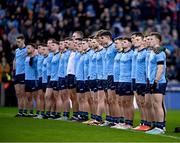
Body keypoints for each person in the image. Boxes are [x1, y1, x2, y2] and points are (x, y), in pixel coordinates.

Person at [146, 32, 167, 134]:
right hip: (152, 81)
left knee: (158, 104)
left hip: (159, 81)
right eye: (148, 39)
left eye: (151, 39)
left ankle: (161, 127)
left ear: (157, 41)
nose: (149, 41)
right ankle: (157, 126)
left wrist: (156, 80)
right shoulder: (153, 51)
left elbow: (160, 67)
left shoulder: (159, 52)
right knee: (154, 104)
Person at [118, 37, 134, 129]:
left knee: (128, 103)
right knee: (123, 102)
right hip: (121, 80)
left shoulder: (132, 54)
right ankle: (124, 122)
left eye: (124, 42)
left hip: (128, 81)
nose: (123, 43)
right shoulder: (122, 54)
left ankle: (129, 123)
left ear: (129, 44)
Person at [67, 31, 83, 120]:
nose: (72, 38)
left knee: (77, 96)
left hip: (75, 74)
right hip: (70, 74)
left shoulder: (79, 50)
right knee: (72, 97)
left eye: (74, 36)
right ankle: (75, 114)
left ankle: (80, 114)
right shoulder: (72, 50)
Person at [111, 37, 124, 129]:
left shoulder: (126, 53)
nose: (115, 45)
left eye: (117, 43)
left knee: (124, 102)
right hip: (117, 80)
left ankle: (125, 121)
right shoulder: (118, 53)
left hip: (123, 80)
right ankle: (119, 121)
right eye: (115, 43)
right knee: (119, 101)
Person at [57, 39, 71, 120]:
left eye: (63, 43)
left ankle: (66, 114)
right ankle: (64, 113)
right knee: (62, 96)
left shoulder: (69, 53)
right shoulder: (61, 53)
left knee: (66, 96)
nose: (61, 45)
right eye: (61, 43)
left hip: (65, 76)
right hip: (60, 76)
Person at [14, 34, 27, 117]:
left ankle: (24, 111)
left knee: (23, 94)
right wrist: (13, 71)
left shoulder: (27, 50)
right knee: (18, 93)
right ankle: (20, 111)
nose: (17, 43)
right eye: (17, 42)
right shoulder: (16, 50)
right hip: (17, 74)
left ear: (23, 41)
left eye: (19, 42)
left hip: (23, 74)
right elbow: (15, 61)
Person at [24, 43, 38, 117]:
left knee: (35, 97)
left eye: (29, 48)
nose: (27, 49)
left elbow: (31, 64)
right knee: (28, 97)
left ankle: (38, 113)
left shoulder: (36, 57)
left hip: (33, 79)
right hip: (27, 79)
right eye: (27, 48)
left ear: (33, 49)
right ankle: (30, 112)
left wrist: (33, 56)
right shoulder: (26, 57)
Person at [37, 44, 49, 119]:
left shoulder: (48, 57)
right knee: (41, 96)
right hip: (41, 78)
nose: (40, 50)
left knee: (47, 97)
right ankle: (42, 112)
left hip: (46, 79)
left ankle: (49, 113)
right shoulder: (40, 57)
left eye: (43, 49)